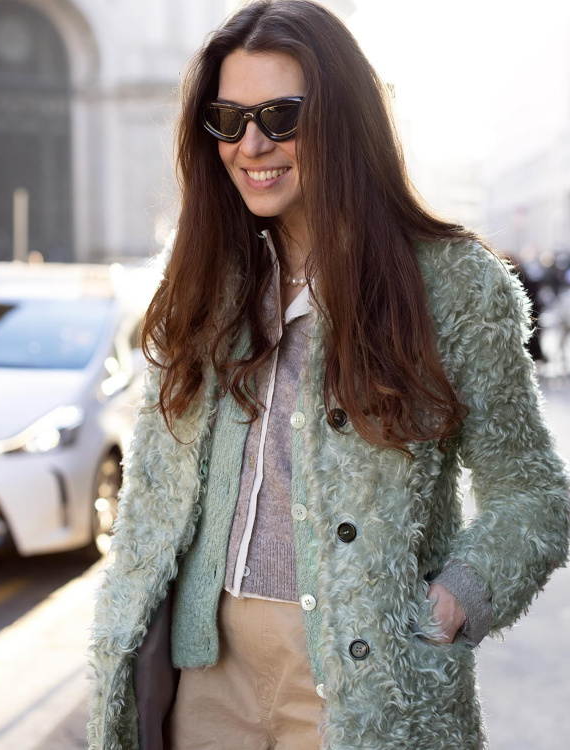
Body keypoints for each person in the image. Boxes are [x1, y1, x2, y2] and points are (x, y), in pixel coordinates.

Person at [87, 2, 569, 749]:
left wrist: (453, 603)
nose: (251, 144)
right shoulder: (203, 281)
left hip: (360, 680)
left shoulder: (452, 285)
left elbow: (533, 493)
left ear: (343, 119)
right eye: (228, 120)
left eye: (280, 116)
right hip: (205, 671)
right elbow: (156, 488)